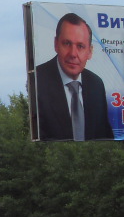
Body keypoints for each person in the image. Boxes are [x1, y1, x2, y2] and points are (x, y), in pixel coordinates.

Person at [34, 12, 114, 141]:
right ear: (56, 44)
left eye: (80, 46)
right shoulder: (38, 80)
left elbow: (104, 136)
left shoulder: (96, 84)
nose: (73, 54)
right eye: (67, 43)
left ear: (90, 52)